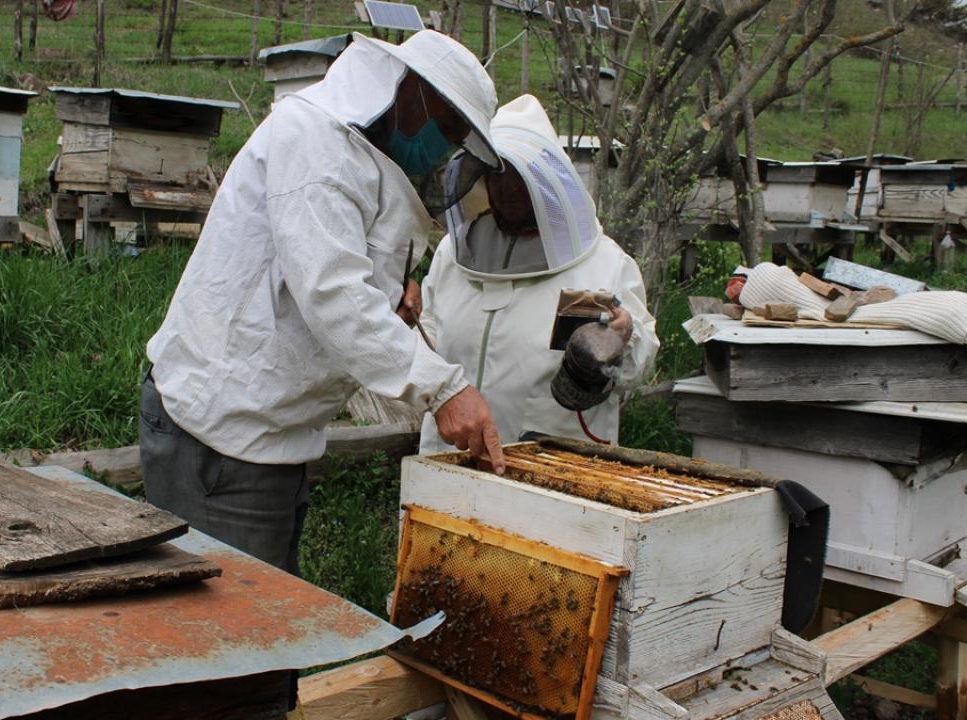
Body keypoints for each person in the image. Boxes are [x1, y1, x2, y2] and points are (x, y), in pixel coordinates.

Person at [140, 30, 507, 580]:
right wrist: (443, 387)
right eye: (447, 127)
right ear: (412, 93)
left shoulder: (360, 156)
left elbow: (333, 273)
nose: (443, 147)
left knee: (269, 628)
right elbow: (331, 293)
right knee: (228, 640)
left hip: (276, 433)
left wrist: (389, 299)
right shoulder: (314, 139)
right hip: (220, 432)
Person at [418, 95, 658, 453]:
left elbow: (634, 364)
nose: (506, 188)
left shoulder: (600, 265)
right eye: (496, 176)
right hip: (448, 459)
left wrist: (624, 341)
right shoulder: (454, 254)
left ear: (545, 185)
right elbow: (427, 335)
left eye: (519, 177)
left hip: (552, 471)